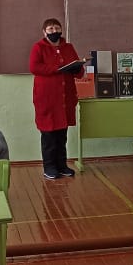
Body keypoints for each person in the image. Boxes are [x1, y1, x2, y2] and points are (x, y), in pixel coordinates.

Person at [29, 18, 83, 180]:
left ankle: (62, 165)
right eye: (50, 29)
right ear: (44, 32)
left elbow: (78, 70)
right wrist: (58, 68)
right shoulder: (38, 47)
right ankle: (49, 167)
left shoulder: (68, 47)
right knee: (49, 136)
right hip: (47, 98)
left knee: (62, 135)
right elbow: (34, 67)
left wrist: (77, 68)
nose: (54, 31)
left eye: (57, 28)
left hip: (65, 99)